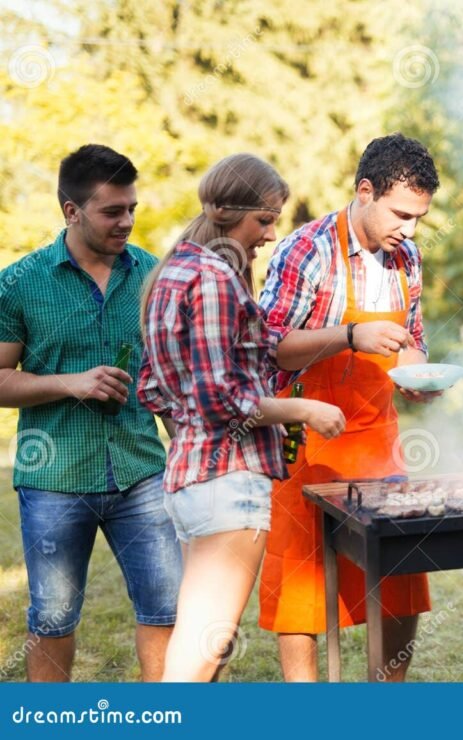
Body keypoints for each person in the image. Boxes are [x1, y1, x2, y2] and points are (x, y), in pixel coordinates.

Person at [138, 154, 345, 682]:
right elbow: (220, 398)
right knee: (201, 651)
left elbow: (153, 387)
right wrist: (303, 409)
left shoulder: (173, 271)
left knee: (202, 642)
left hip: (189, 478)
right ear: (225, 211)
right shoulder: (214, 279)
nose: (271, 235)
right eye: (265, 219)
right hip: (227, 484)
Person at [257, 133, 441, 682]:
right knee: (303, 585)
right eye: (401, 214)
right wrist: (350, 335)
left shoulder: (407, 257)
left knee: (402, 574)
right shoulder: (307, 250)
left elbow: (413, 338)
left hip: (378, 439)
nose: (410, 230)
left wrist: (416, 373)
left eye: (419, 218)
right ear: (365, 191)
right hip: (307, 438)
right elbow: (272, 346)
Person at [0, 144, 181, 681]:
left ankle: (168, 717)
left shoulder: (152, 275)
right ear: (71, 211)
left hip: (142, 473)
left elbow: (166, 380)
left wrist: (190, 453)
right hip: (54, 478)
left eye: (132, 209)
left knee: (168, 610)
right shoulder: (20, 283)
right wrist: (70, 383)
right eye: (112, 211)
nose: (126, 221)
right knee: (53, 618)